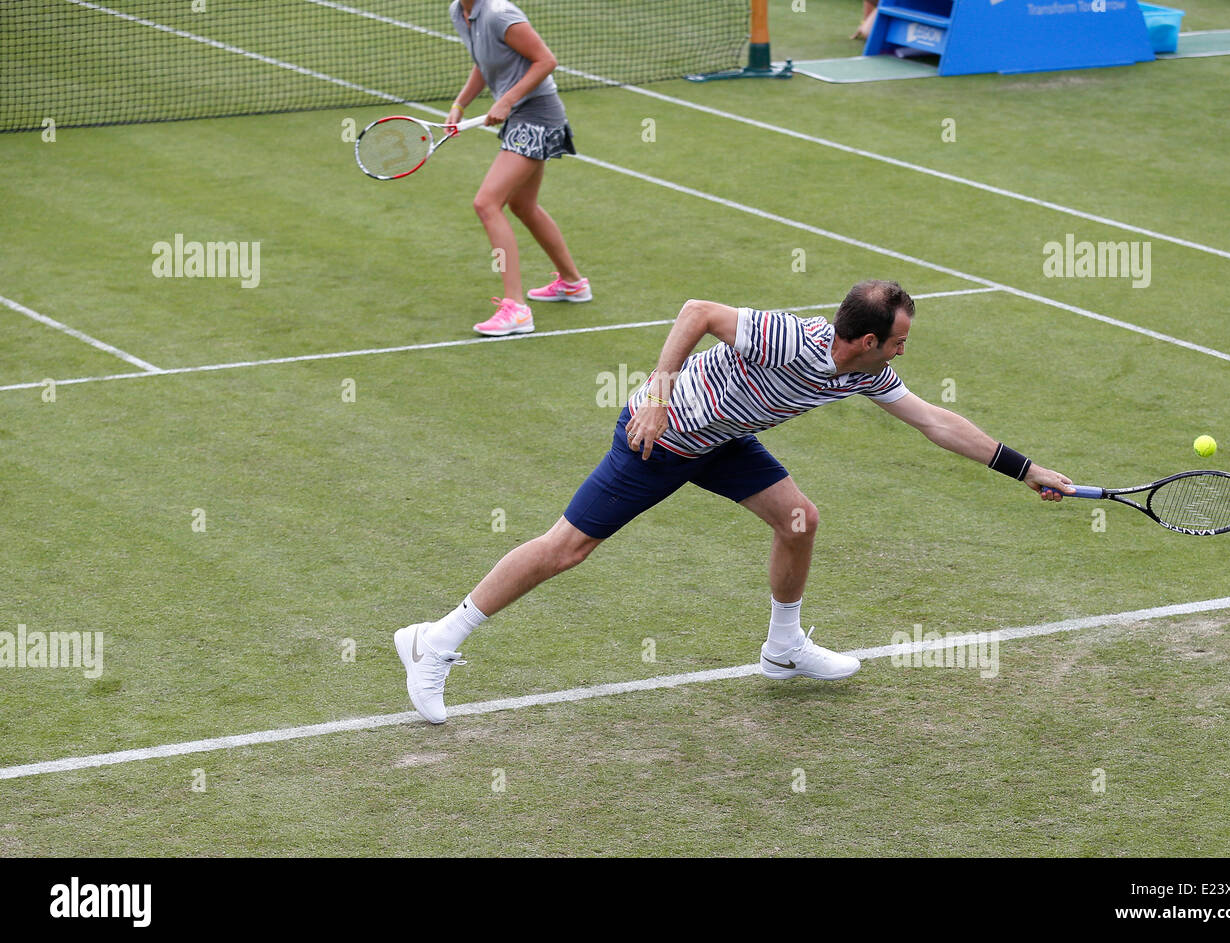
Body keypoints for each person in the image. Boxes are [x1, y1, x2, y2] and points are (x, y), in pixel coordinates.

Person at [395, 281, 1077, 724]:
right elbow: (696, 310)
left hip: (721, 440)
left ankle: (783, 647)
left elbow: (936, 422)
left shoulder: (866, 375)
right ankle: (435, 641)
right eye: (898, 340)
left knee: (799, 519)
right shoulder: (789, 338)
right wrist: (660, 389)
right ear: (865, 340)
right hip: (657, 439)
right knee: (566, 548)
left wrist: (1028, 469)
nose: (902, 351)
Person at [443, 0, 592, 337]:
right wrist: (460, 104)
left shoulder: (500, 15)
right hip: (521, 114)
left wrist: (507, 100)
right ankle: (573, 283)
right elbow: (484, 63)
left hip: (537, 114)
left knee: (486, 203)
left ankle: (516, 310)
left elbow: (546, 60)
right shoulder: (460, 14)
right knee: (523, 205)